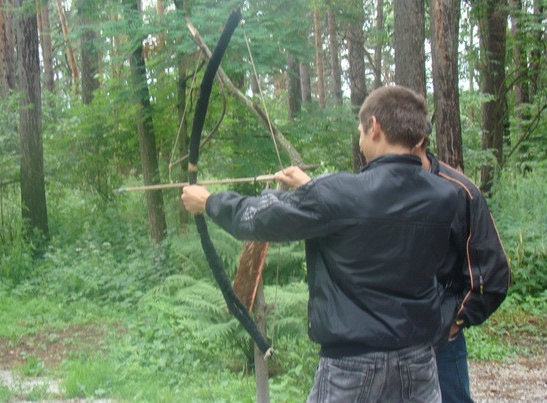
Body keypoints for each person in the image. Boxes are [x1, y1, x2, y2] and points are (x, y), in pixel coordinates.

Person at [182, 85, 460, 402]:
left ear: (374, 127)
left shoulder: (339, 193)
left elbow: (264, 218)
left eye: (360, 131)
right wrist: (311, 189)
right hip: (418, 361)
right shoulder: (445, 196)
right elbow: (375, 215)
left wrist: (209, 202)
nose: (360, 139)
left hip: (352, 366)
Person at [413, 136, 510, 403]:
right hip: (387, 343)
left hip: (441, 344)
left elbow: (492, 273)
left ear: (418, 140)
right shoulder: (376, 191)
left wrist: (453, 322)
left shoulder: (459, 192)